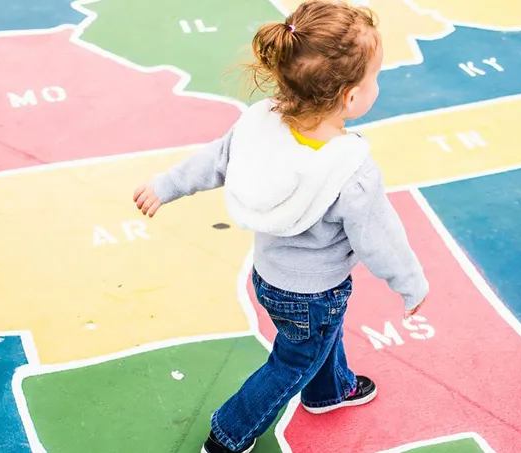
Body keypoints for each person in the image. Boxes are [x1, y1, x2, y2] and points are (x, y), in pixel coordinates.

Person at [132, 1, 429, 452]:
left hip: (269, 277)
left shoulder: (260, 124)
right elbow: (379, 238)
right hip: (316, 291)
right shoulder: (350, 169)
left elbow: (214, 159)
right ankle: (229, 433)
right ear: (351, 97)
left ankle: (330, 391)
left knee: (315, 339)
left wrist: (166, 185)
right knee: (294, 359)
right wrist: (410, 284)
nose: (377, 84)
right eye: (375, 77)